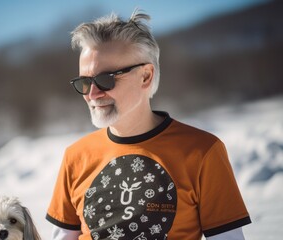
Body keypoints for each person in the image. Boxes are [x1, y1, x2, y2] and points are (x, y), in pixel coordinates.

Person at [46, 9, 251, 240]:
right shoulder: (75, 157)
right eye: (85, 82)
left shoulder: (202, 152)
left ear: (146, 76)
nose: (92, 93)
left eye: (105, 79)